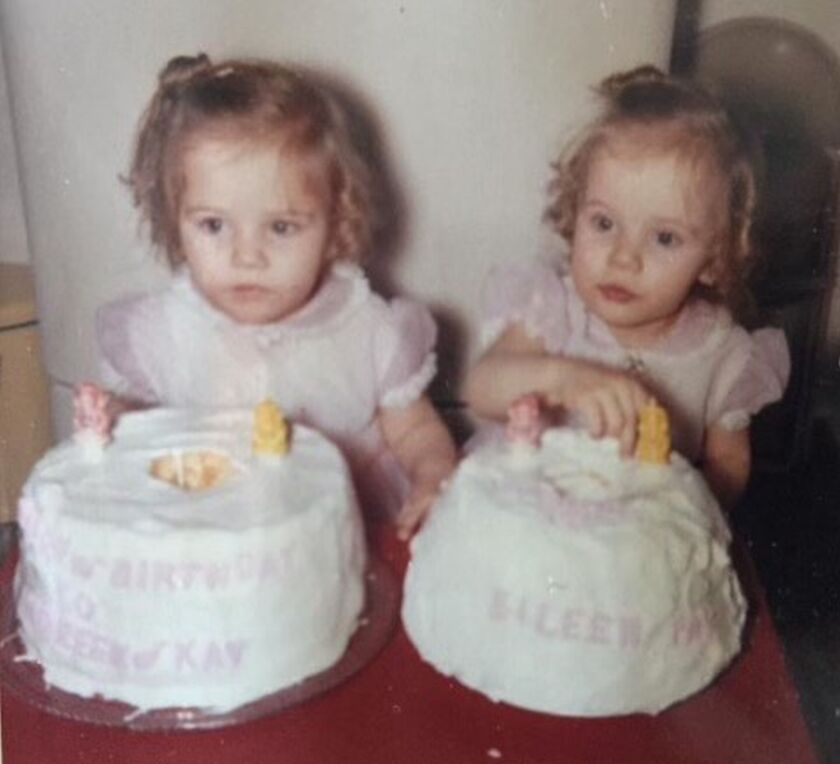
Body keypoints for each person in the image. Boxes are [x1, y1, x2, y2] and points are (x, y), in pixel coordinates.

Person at [97, 53, 456, 537]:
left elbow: (415, 431)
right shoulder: (164, 330)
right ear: (174, 221)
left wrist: (432, 476)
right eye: (214, 225)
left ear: (336, 225)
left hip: (349, 542)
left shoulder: (366, 329)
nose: (248, 256)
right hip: (214, 547)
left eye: (281, 227)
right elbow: (140, 438)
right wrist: (113, 419)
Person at [463, 65, 789, 508]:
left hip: (633, 544)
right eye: (603, 223)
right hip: (525, 520)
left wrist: (673, 515)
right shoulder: (556, 309)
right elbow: (480, 388)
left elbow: (729, 465)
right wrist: (562, 378)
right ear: (573, 213)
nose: (623, 257)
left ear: (714, 260)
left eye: (664, 238)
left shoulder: (723, 354)